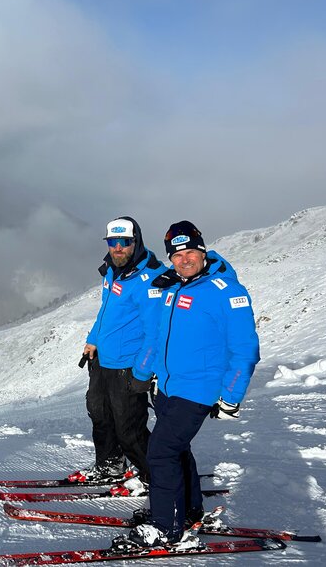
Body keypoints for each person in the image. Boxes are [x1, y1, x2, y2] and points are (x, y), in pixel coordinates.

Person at [128, 220, 260, 547]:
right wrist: (144, 374)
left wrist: (231, 396)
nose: (184, 259)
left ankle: (167, 528)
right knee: (178, 451)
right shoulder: (173, 288)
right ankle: (187, 511)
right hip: (169, 388)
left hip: (198, 391)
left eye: (190, 252)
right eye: (177, 254)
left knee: (160, 453)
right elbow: (158, 338)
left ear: (202, 250)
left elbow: (245, 349)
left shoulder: (227, 292)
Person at [69, 217, 165, 490]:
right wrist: (92, 340)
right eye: (113, 242)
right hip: (103, 359)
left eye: (125, 242)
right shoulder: (113, 270)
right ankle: (110, 464)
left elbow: (154, 333)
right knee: (99, 412)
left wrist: (143, 372)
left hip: (128, 365)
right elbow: (106, 312)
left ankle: (158, 480)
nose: (118, 248)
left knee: (129, 430)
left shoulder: (151, 279)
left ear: (137, 242)